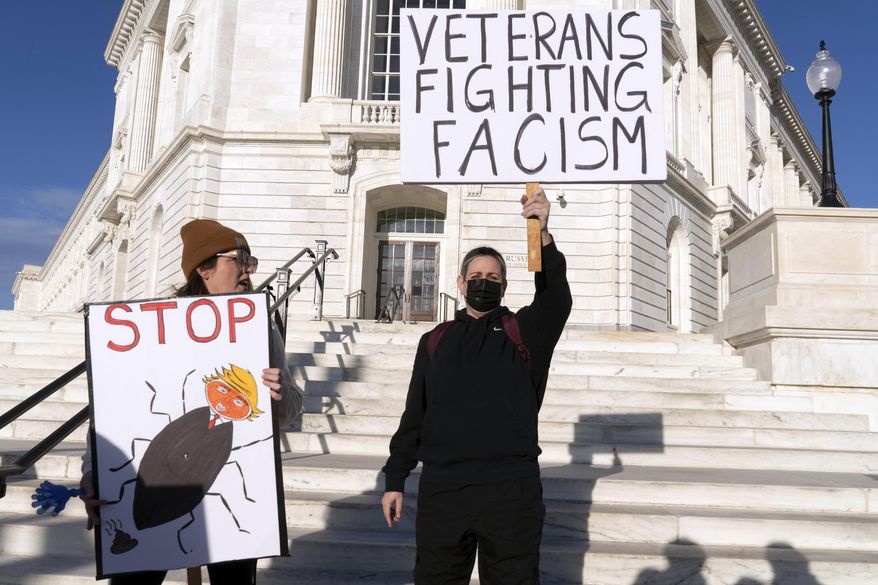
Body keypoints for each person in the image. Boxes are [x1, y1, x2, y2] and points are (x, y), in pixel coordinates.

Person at [79, 218, 303, 585]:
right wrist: (94, 470)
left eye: (250, 260)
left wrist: (277, 395)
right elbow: (117, 402)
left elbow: (289, 409)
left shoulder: (260, 324)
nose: (248, 269)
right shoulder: (152, 326)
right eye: (239, 258)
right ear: (204, 269)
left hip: (222, 502)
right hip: (151, 489)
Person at [381, 188, 571, 585]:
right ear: (461, 283)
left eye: (493, 278)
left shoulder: (524, 332)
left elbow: (554, 298)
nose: (484, 283)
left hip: (510, 491)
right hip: (443, 491)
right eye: (476, 277)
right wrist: (395, 478)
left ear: (504, 285)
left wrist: (542, 230)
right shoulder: (435, 340)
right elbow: (415, 414)